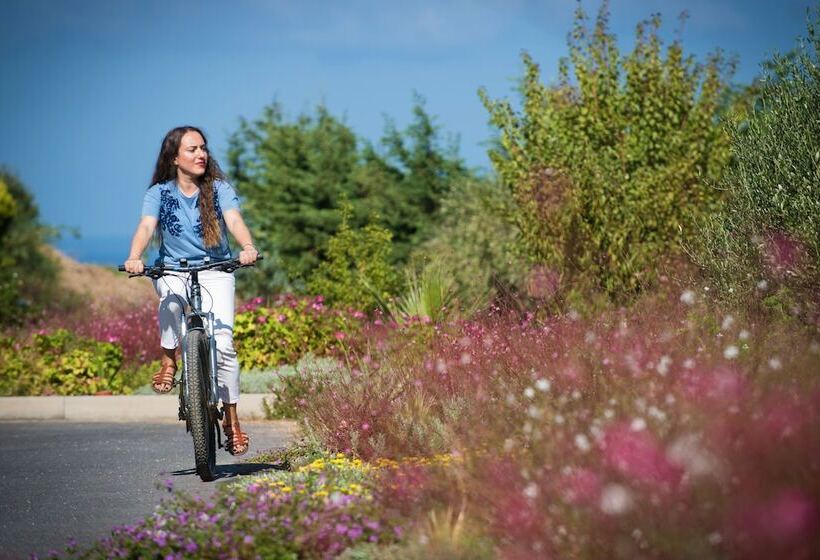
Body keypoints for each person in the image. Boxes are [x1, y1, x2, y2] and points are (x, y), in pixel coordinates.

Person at [124, 126, 258, 456]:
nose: (201, 154)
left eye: (203, 148)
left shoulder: (219, 189)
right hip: (173, 269)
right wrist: (135, 257)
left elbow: (235, 220)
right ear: (174, 158)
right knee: (170, 301)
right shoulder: (158, 193)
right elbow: (146, 227)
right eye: (192, 149)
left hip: (216, 269)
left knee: (224, 343)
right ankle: (169, 360)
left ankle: (232, 421)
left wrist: (247, 246)